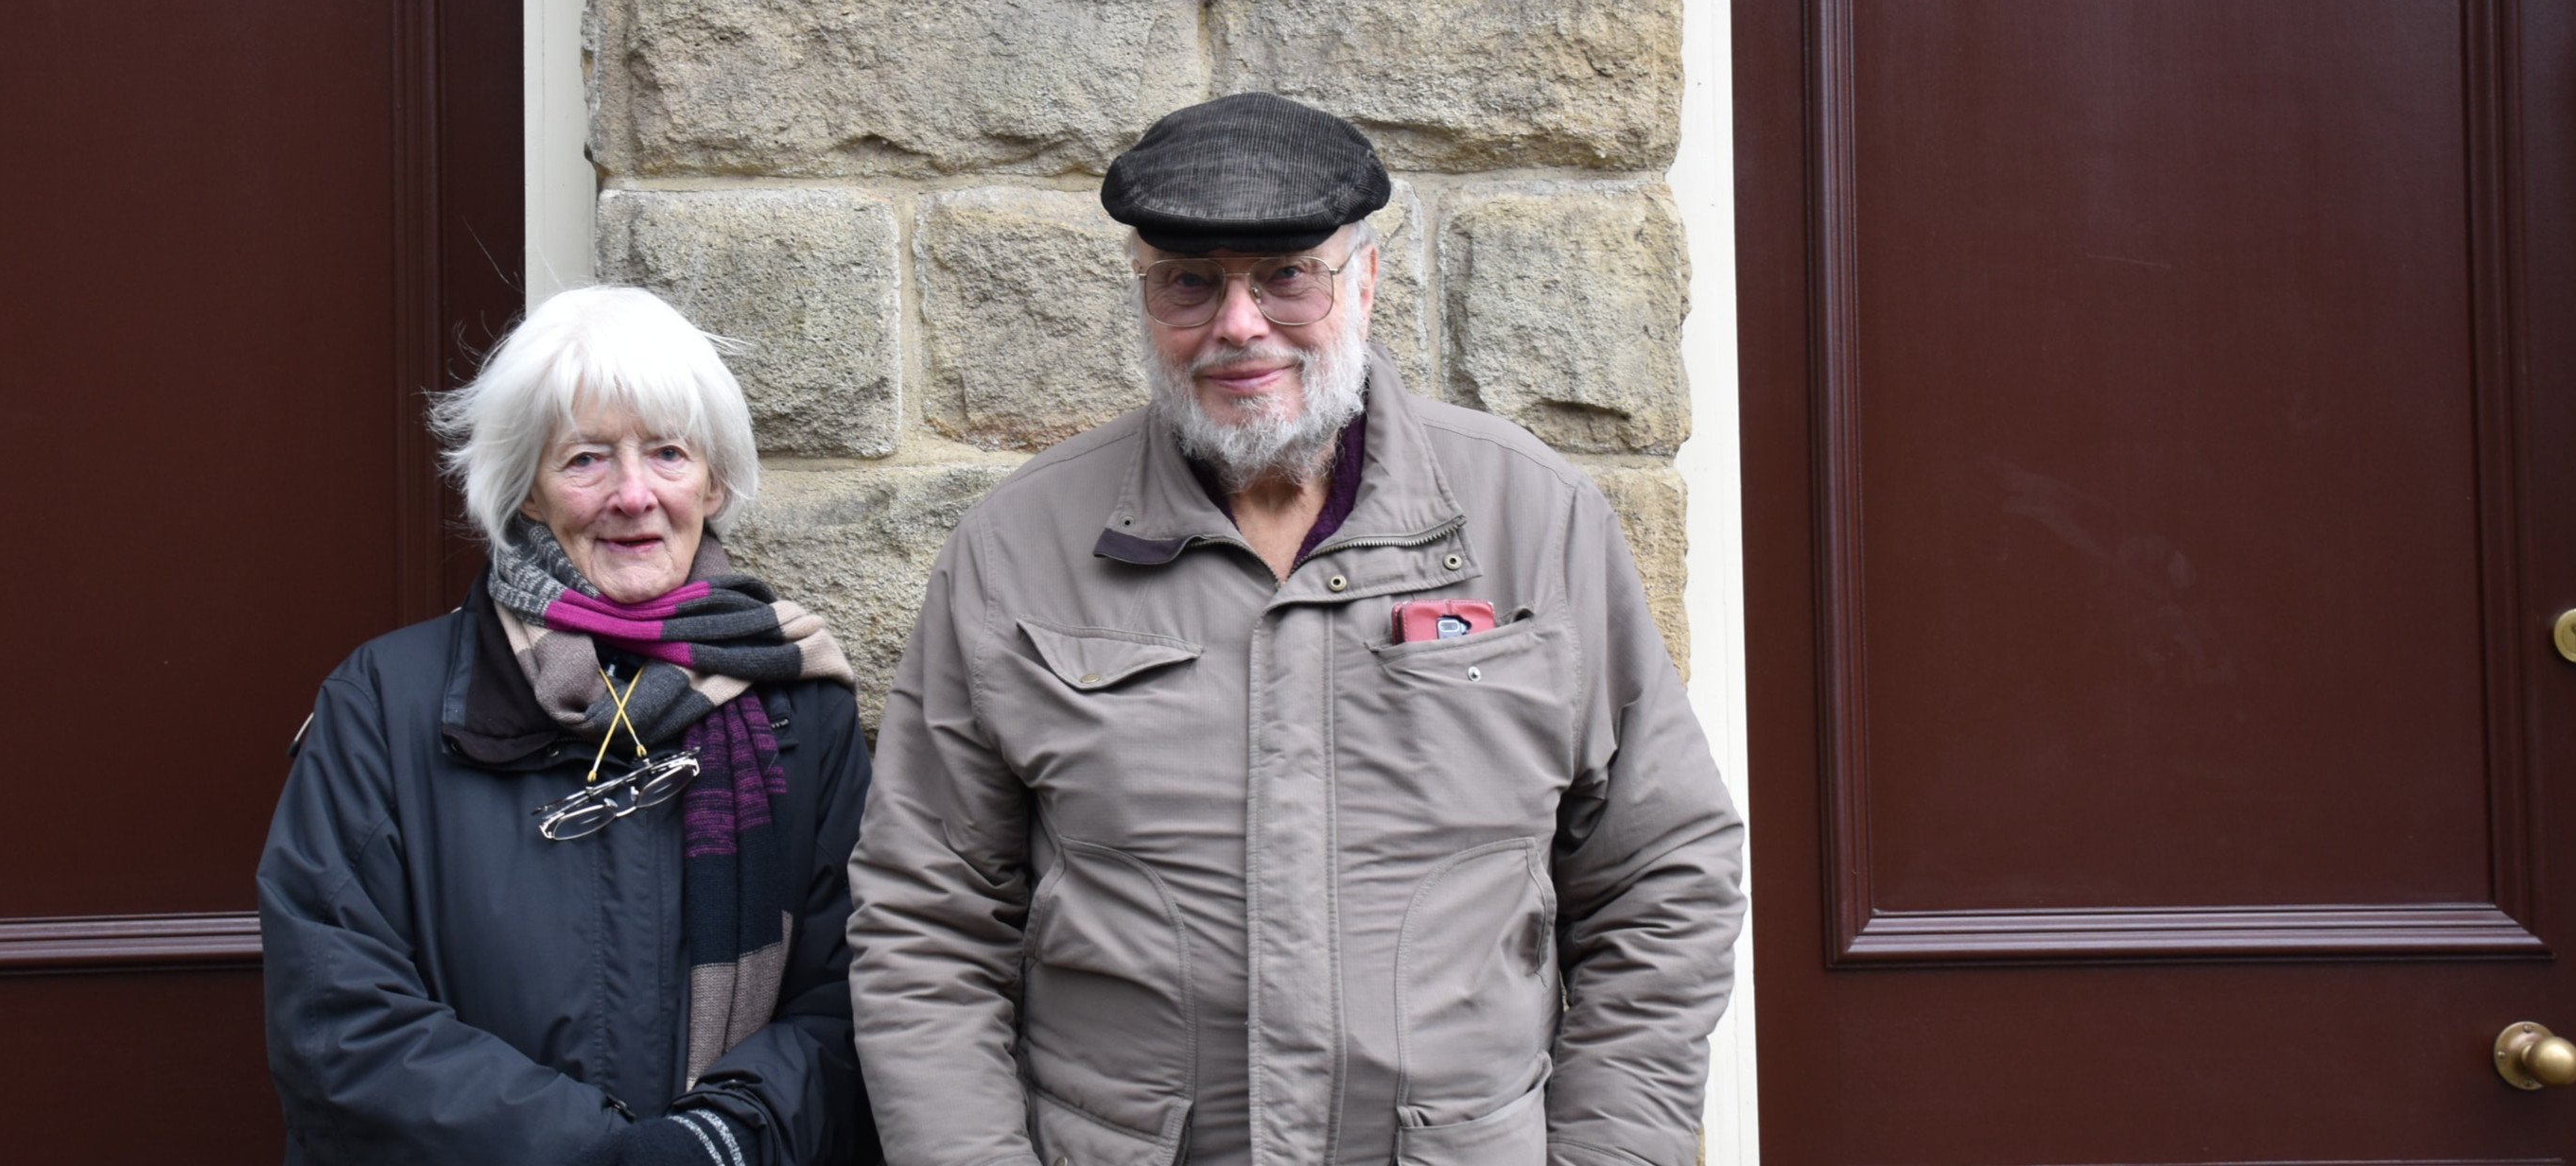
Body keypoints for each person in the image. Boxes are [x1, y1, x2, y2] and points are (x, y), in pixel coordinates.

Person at [847, 94, 1745, 1166]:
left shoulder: (1533, 521)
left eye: (1286, 275)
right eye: (1190, 281)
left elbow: (1663, 874)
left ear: (1363, 280)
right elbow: (925, 918)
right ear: (1144, 297)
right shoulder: (1020, 547)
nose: (1237, 324)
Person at [260, 286, 877, 1166]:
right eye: (586, 459)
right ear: (527, 494)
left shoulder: (799, 701)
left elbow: (857, 988)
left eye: (668, 453)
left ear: (713, 479)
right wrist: (600, 1156)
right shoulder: (383, 701)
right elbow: (336, 1013)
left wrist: (721, 1139)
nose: (634, 496)